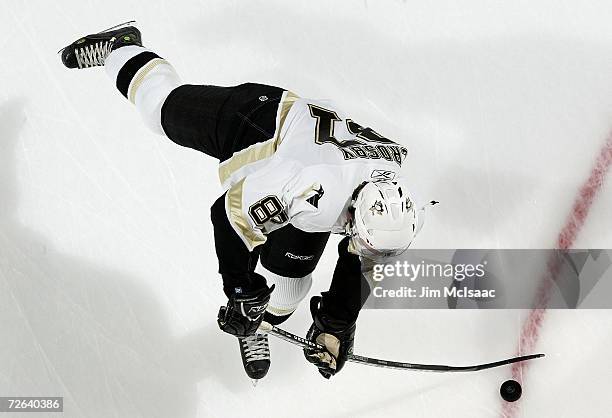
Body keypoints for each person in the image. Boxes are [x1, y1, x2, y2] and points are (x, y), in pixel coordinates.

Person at [59, 22, 432, 382]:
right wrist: (240, 290)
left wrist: (337, 324)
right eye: (365, 241)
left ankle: (262, 320)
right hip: (254, 121)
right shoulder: (316, 192)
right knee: (161, 110)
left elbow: (365, 258)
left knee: (287, 292)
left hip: (299, 157)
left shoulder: (390, 198)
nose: (367, 250)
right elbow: (227, 215)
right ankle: (121, 46)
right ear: (353, 213)